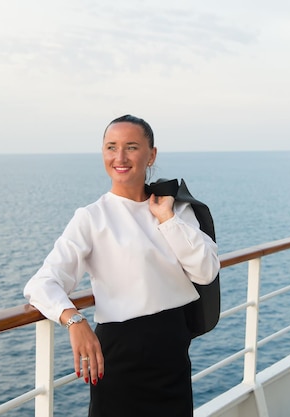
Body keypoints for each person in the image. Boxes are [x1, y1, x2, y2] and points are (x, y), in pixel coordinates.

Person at [23, 114, 220, 417]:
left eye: (131, 147)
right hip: (119, 356)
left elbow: (206, 271)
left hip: (172, 353)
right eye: (111, 147)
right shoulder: (91, 217)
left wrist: (166, 218)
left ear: (151, 154)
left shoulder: (176, 207)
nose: (120, 157)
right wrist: (74, 321)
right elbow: (42, 283)